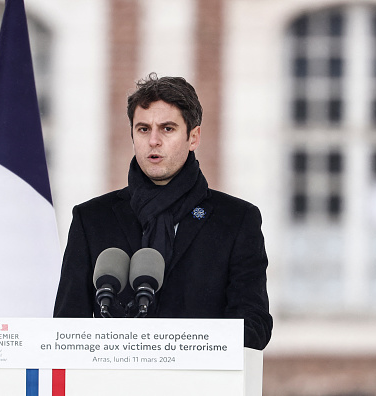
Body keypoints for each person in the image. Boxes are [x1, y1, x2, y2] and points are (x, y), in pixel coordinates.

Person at [53, 73, 272, 350]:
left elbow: (254, 325)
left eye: (167, 129)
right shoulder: (92, 219)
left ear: (193, 137)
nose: (153, 141)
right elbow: (66, 328)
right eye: (143, 129)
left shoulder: (236, 220)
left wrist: (179, 348)